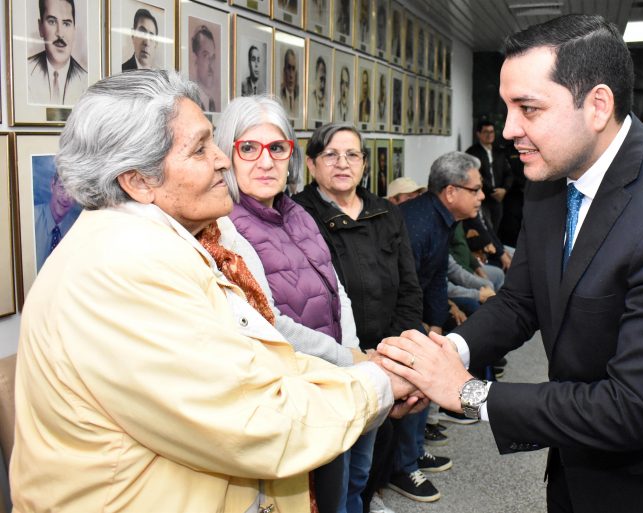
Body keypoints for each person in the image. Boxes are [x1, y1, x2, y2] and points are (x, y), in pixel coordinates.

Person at [377, 14, 643, 513]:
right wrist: (444, 356)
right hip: (576, 465)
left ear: (597, 105)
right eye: (509, 107)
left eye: (528, 108)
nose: (510, 129)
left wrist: (466, 392)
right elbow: (521, 301)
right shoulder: (552, 177)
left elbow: (631, 408)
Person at [11, 70, 422, 513]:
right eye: (201, 148)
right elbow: (254, 422)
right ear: (137, 182)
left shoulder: (167, 241)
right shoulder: (124, 266)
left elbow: (259, 356)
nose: (223, 161)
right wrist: (377, 384)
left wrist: (363, 373)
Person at [215, 95, 374, 512]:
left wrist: (353, 353)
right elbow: (269, 322)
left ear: (291, 155)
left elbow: (337, 289)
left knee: (354, 485)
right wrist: (348, 358)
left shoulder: (298, 212)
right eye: (248, 148)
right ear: (226, 153)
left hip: (340, 374)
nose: (265, 162)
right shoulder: (225, 226)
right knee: (325, 500)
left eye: (277, 148)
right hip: (298, 391)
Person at [294, 123, 424, 513]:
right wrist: (351, 354)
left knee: (371, 453)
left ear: (364, 163)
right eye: (331, 154)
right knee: (333, 464)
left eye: (352, 154)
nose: (342, 163)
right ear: (312, 164)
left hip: (384, 355)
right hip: (329, 358)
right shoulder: (299, 215)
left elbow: (409, 288)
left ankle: (368, 499)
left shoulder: (386, 212)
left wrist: (392, 351)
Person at [383, 151, 484, 502]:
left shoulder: (440, 219)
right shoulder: (418, 222)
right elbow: (400, 284)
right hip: (397, 317)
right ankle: (402, 467)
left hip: (419, 315)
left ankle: (413, 451)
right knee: (413, 383)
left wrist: (437, 325)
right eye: (476, 189)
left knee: (426, 376)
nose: (482, 196)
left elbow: (436, 277)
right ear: (452, 192)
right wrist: (421, 327)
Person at [28, 0, 88, 105]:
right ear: (40, 27)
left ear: (74, 29)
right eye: (52, 21)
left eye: (66, 23)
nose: (60, 33)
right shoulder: (25, 72)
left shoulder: (87, 81)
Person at [465, 120, 513, 233]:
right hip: (482, 198)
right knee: (486, 228)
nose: (489, 134)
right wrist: (493, 191)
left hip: (499, 197)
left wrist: (504, 189)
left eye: (492, 132)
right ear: (478, 134)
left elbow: (509, 173)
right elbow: (475, 176)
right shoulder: (472, 153)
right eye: (486, 132)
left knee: (496, 228)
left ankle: (494, 250)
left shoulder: (500, 151)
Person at [34, 170, 80, 270]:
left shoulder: (77, 227)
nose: (66, 198)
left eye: (72, 191)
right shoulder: (31, 219)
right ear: (52, 186)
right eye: (62, 187)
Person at [191, 25, 217, 111]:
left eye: (212, 57)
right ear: (195, 58)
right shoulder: (190, 101)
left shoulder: (211, 102)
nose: (211, 64)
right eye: (205, 55)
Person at [280, 48, 299, 117]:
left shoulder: (298, 95)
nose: (291, 75)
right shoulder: (280, 94)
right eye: (289, 68)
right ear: (284, 71)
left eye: (293, 69)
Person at [310, 55, 328, 121]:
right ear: (315, 78)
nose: (323, 85)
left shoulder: (327, 106)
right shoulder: (310, 103)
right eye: (321, 79)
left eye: (324, 80)